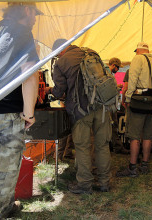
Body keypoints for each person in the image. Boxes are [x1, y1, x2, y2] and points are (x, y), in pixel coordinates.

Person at [0, 2, 41, 219]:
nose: (35, 18)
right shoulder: (21, 31)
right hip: (7, 111)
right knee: (3, 168)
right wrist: (29, 112)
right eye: (35, 13)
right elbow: (30, 73)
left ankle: (4, 206)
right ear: (26, 10)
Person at [47, 39, 112, 193]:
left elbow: (59, 91)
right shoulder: (91, 52)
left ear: (60, 50)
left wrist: (49, 91)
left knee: (82, 147)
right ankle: (104, 182)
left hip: (81, 109)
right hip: (102, 105)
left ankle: (84, 185)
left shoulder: (62, 62)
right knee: (102, 145)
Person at [116, 42, 152, 177]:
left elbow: (133, 80)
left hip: (138, 104)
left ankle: (132, 167)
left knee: (134, 136)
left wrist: (128, 99)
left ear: (138, 50)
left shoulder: (138, 59)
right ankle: (145, 165)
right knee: (148, 136)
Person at [106, 58, 129, 154]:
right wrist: (116, 88)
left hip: (110, 103)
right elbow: (106, 89)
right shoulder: (107, 74)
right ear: (114, 65)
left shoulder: (107, 73)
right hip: (109, 104)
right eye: (118, 67)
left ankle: (116, 146)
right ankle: (117, 147)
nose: (118, 70)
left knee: (112, 125)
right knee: (112, 125)